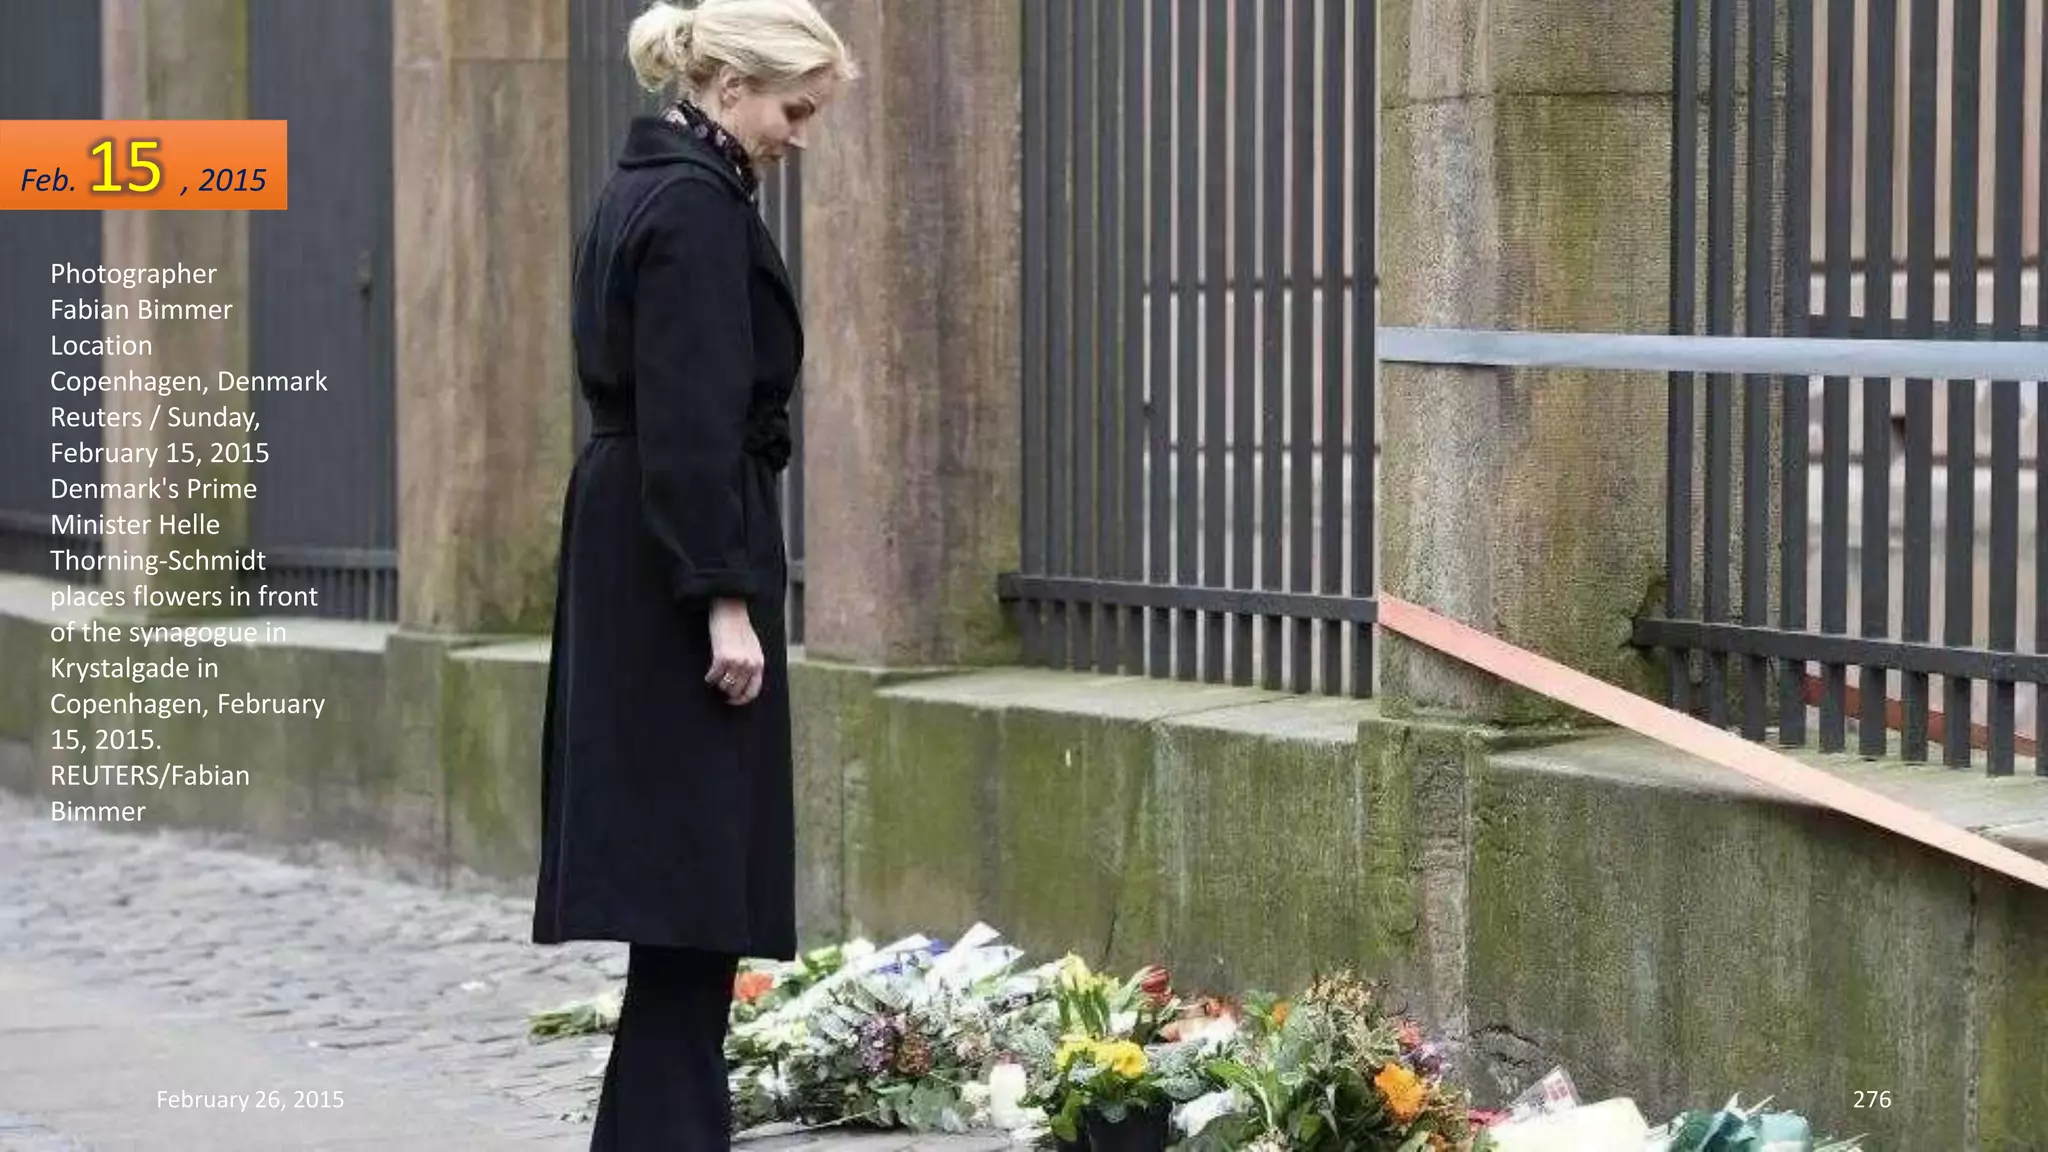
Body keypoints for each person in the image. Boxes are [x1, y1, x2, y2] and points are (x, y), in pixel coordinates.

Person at [532, 1, 854, 1147]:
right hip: (677, 564)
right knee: (690, 898)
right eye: (792, 107)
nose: (799, 133)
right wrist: (723, 601)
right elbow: (690, 422)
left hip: (640, 547)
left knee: (681, 913)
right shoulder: (694, 212)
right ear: (727, 88)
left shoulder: (645, 191)